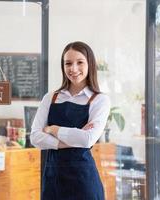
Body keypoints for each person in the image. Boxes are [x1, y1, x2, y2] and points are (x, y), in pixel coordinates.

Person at [30, 41, 110, 200]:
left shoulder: (99, 100)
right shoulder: (51, 97)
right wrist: (69, 141)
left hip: (84, 180)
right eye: (68, 63)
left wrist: (53, 130)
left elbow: (87, 139)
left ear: (90, 64)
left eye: (80, 62)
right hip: (53, 178)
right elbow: (35, 137)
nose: (73, 69)